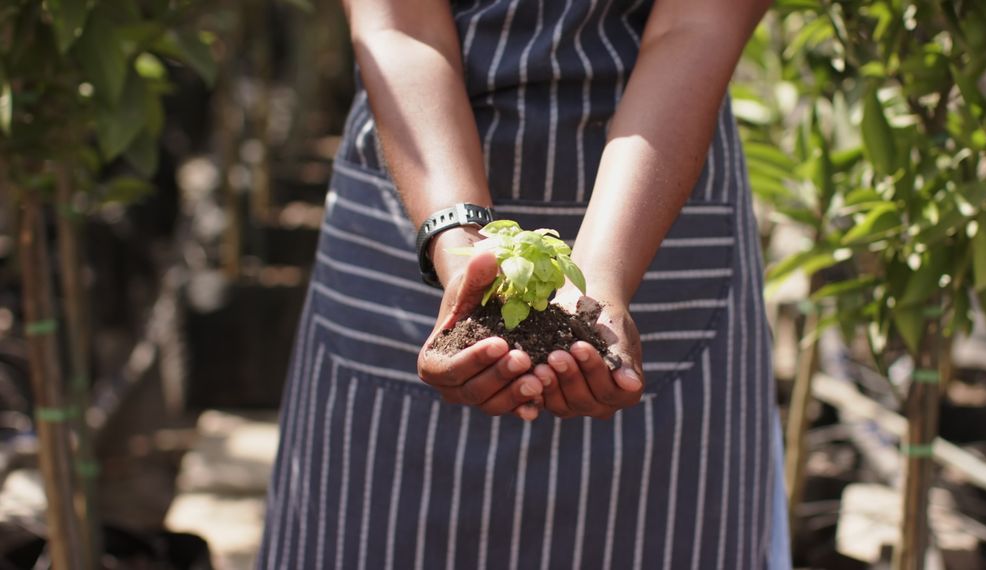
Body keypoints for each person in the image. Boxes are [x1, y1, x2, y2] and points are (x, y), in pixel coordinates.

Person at [258, 0, 791, 567]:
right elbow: (400, 26)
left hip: (651, 215)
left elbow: (698, 23)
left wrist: (599, 282)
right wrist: (458, 244)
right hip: (411, 199)